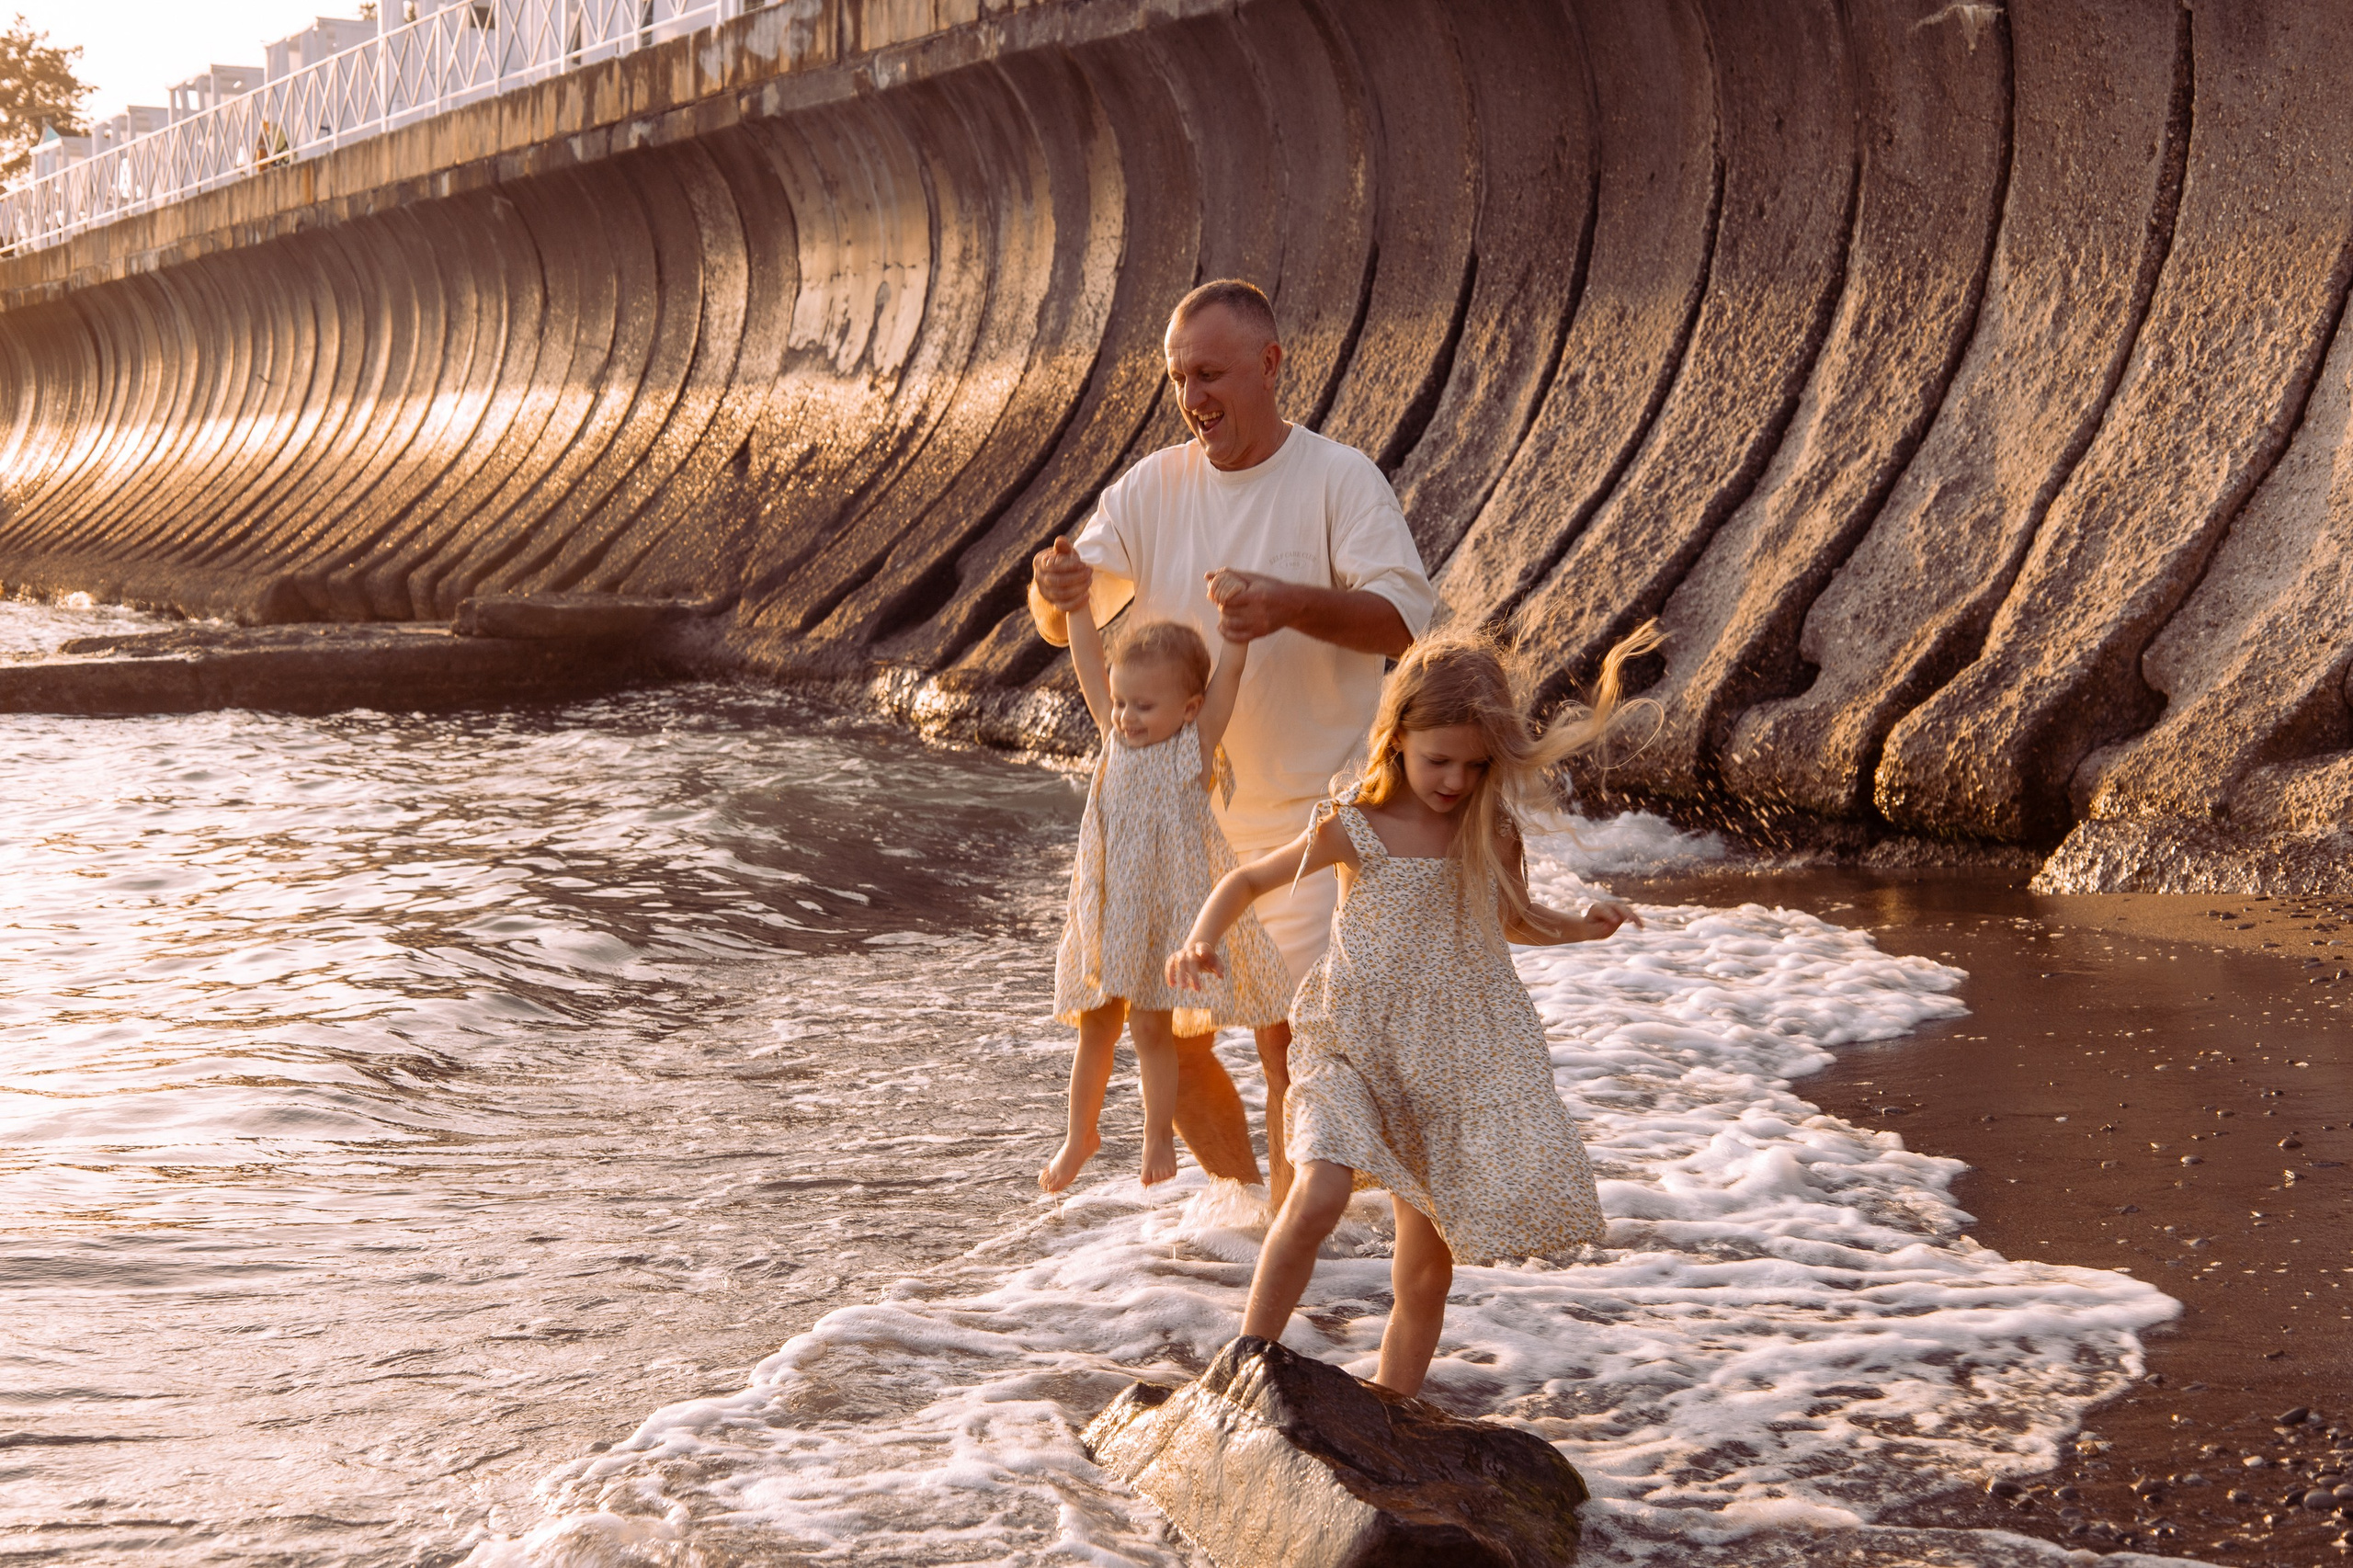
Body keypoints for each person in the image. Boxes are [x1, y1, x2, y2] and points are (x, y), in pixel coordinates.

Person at [1165, 626, 1657, 1396]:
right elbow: (1249, 881)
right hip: (1350, 1046)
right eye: (1439, 760)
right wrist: (1201, 941)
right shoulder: (1356, 824)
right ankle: (1243, 1367)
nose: (1456, 779)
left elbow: (1514, 921)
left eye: (1475, 764)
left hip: (1442, 1066)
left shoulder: (1489, 834)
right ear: (1396, 741)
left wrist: (1582, 926)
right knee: (1317, 1192)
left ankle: (1391, 1414)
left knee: (1424, 1276)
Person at [1029, 278, 1435, 1205]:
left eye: (1208, 372)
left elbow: (1405, 621)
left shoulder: (1338, 478)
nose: (1191, 397)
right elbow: (1065, 614)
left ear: (1269, 364)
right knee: (1174, 1040)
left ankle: (1299, 1266)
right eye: (1178, 377)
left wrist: (1284, 601)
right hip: (1180, 828)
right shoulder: (1151, 486)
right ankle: (1252, 1222)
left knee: (1290, 1050)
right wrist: (1050, 584)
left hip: (1311, 816)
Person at [1043, 604, 1291, 1193]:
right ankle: (1081, 1135)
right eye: (1122, 701)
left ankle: (1157, 1135)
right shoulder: (1114, 736)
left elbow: (1226, 683)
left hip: (1159, 923)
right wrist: (1078, 607)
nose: (1126, 716)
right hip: (1108, 913)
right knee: (1095, 1027)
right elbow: (1085, 661)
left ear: (1188, 709)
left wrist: (1237, 638)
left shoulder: (1192, 749)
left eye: (1144, 707)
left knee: (1154, 1034)